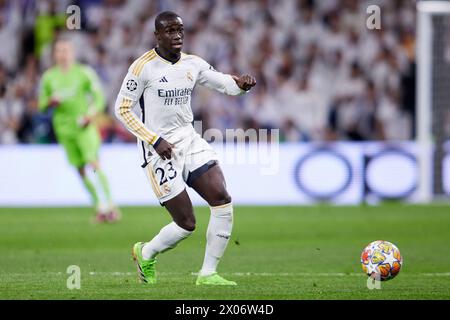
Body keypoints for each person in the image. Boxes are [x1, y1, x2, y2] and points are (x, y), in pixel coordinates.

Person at [114, 11, 256, 286]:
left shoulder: (193, 63)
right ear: (157, 36)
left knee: (221, 197)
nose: (177, 35)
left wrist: (241, 85)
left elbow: (224, 83)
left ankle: (208, 274)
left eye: (180, 30)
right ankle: (146, 252)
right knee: (186, 224)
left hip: (188, 140)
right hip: (157, 149)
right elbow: (122, 109)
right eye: (169, 31)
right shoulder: (142, 67)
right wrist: (153, 139)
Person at [38, 37, 120, 223]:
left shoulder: (84, 73)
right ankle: (99, 207)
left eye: (66, 50)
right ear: (54, 54)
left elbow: (99, 97)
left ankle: (111, 206)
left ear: (73, 53)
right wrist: (50, 102)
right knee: (80, 169)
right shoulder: (49, 77)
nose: (63, 54)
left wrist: (90, 115)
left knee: (94, 163)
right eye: (59, 51)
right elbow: (41, 105)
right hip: (64, 130)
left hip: (84, 126)